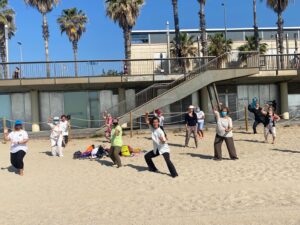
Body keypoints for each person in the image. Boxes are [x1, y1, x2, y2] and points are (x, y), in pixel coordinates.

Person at [144, 112, 178, 178]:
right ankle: (153, 168)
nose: (155, 123)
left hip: (164, 149)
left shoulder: (160, 131)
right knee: (147, 156)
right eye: (154, 122)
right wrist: (146, 115)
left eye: (156, 122)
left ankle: (174, 174)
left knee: (167, 161)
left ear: (158, 123)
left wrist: (162, 140)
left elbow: (164, 142)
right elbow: (147, 121)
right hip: (157, 149)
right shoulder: (152, 128)